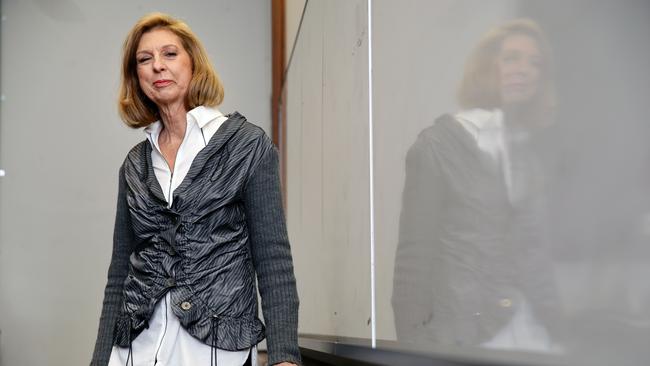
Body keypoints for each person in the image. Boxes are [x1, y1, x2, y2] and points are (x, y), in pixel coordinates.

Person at [90, 13, 300, 366]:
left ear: (193, 64)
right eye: (145, 59)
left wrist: (284, 357)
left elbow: (273, 261)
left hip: (218, 349)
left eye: (170, 54)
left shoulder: (247, 146)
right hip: (135, 351)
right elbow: (119, 274)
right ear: (136, 76)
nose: (158, 66)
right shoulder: (134, 165)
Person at [392, 18, 561, 351]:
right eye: (512, 57)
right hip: (464, 339)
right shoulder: (438, 146)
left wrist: (559, 329)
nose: (524, 69)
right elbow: (414, 259)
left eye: (535, 62)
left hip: (532, 340)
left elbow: (536, 257)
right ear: (487, 65)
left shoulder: (529, 158)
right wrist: (414, 347)